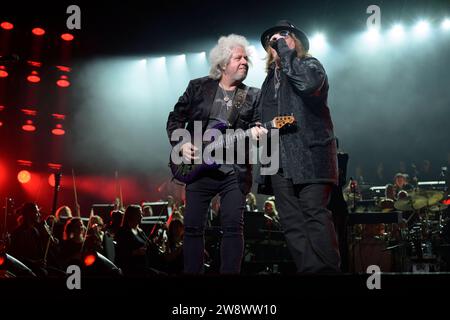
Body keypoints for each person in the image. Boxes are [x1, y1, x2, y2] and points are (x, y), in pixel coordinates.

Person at [166, 34, 265, 274]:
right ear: (222, 64)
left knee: (233, 227)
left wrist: (259, 133)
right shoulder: (198, 86)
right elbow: (175, 118)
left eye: (246, 58)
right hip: (199, 169)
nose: (244, 62)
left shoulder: (253, 94)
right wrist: (181, 143)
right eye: (238, 58)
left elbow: (259, 124)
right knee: (192, 228)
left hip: (234, 170)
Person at [254, 20, 340, 273]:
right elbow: (265, 117)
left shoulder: (310, 66)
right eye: (273, 40)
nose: (277, 41)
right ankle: (309, 271)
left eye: (284, 36)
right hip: (278, 160)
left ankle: (327, 273)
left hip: (310, 155)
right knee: (291, 222)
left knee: (315, 215)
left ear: (297, 42)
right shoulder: (269, 81)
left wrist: (285, 52)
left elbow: (307, 86)